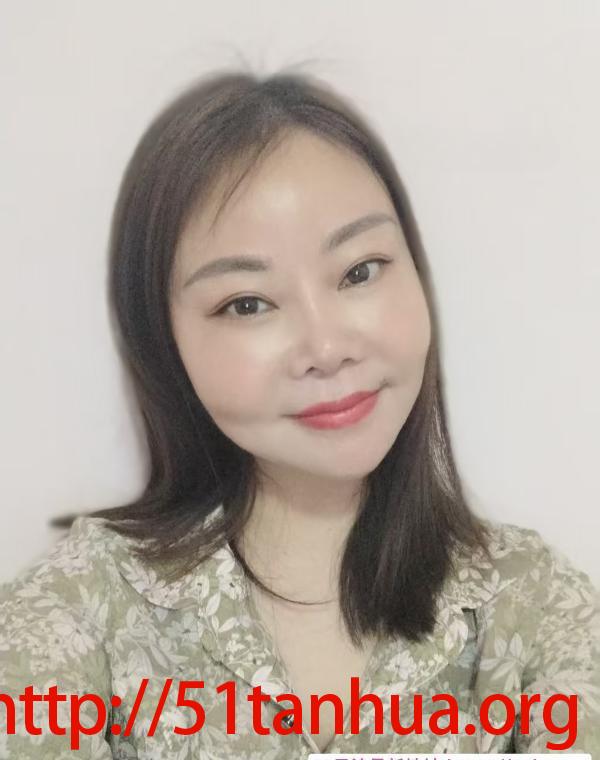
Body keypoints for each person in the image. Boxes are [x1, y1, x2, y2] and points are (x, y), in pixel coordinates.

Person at [1, 68, 598, 759]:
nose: (326, 348)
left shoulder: (535, 604)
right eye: (247, 303)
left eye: (359, 271)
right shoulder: (78, 607)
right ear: (165, 343)